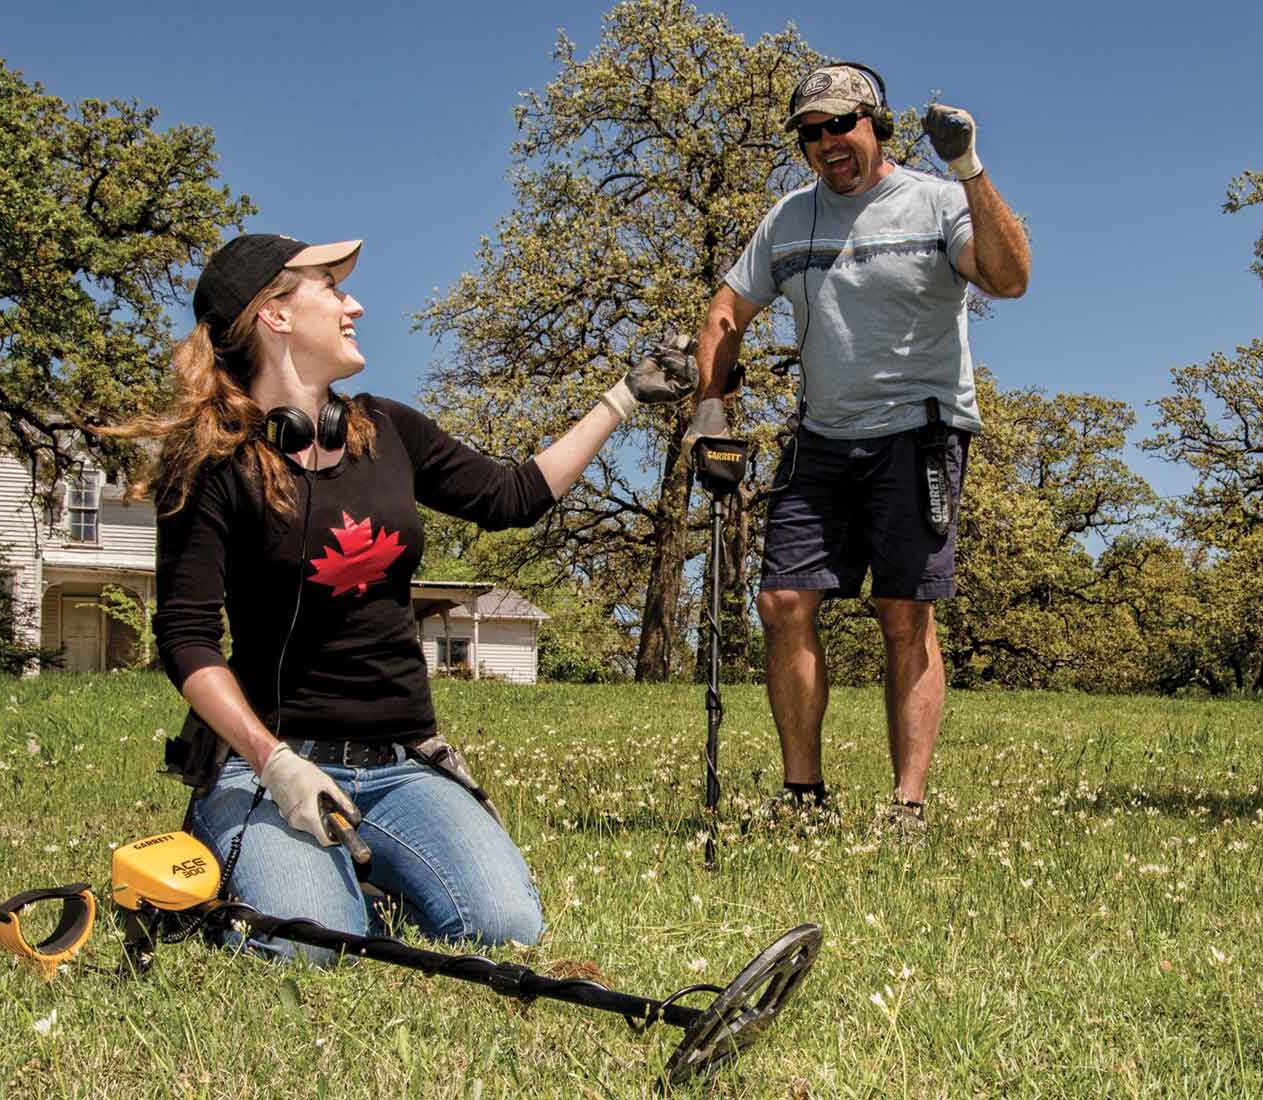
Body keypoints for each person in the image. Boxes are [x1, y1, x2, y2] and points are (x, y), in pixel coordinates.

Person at [116, 233, 694, 962]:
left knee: (502, 929)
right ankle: (242, 844)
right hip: (272, 765)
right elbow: (187, 637)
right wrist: (271, 761)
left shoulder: (386, 429)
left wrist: (623, 395)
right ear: (275, 314)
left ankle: (362, 876)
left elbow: (512, 497)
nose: (354, 303)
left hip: (398, 762)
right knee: (311, 951)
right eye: (330, 286)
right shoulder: (210, 463)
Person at [688, 62, 1030, 837]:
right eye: (809, 132)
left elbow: (1009, 279)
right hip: (821, 437)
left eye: (840, 124)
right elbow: (725, 312)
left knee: (902, 612)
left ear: (876, 123)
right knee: (781, 601)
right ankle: (802, 796)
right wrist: (709, 404)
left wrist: (968, 165)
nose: (826, 143)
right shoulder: (788, 219)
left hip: (920, 431)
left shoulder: (938, 200)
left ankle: (906, 806)